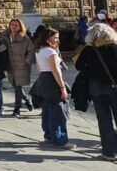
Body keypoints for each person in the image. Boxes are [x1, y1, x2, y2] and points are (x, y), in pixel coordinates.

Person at [74, 24, 117, 160]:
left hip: (96, 87)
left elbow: (78, 66)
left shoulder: (89, 49)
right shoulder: (114, 47)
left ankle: (109, 152)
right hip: (114, 86)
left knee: (104, 119)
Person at [32, 27, 75, 149]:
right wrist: (62, 88)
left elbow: (39, 68)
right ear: (47, 39)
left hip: (43, 78)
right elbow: (56, 71)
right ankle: (60, 140)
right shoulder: (51, 52)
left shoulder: (39, 50)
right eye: (55, 38)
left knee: (46, 109)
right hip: (52, 80)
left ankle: (49, 135)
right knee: (58, 111)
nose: (58, 40)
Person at [2, 19, 34, 117]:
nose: (14, 27)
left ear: (20, 27)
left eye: (16, 25)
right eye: (12, 24)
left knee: (18, 87)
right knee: (16, 86)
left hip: (21, 66)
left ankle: (17, 108)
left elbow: (31, 51)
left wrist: (26, 61)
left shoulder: (25, 39)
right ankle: (27, 100)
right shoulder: (5, 37)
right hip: (10, 66)